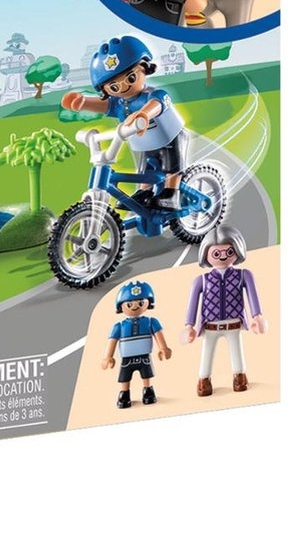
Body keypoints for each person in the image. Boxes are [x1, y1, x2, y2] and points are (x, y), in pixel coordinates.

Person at [62, 36, 186, 209]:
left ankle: (172, 194)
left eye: (131, 77)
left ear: (144, 67)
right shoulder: (118, 103)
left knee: (170, 166)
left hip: (170, 137)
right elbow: (104, 105)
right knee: (145, 170)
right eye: (113, 86)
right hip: (145, 143)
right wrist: (82, 102)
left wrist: (144, 114)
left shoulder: (153, 94)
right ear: (105, 89)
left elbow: (157, 103)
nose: (122, 87)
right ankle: (144, 193)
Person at [184, 226, 266, 396]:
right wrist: (189, 326)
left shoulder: (244, 275)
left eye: (228, 252)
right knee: (207, 353)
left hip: (234, 323)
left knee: (237, 351)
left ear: (237, 250)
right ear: (205, 253)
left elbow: (253, 296)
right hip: (210, 325)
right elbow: (193, 303)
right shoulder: (201, 280)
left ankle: (240, 377)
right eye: (216, 253)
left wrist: (257, 316)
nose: (222, 256)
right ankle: (204, 380)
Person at [101, 280, 171, 408]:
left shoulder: (151, 322)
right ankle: (125, 394)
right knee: (125, 377)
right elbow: (112, 341)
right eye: (129, 303)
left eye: (140, 303)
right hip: (127, 359)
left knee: (146, 375)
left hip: (144, 357)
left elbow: (158, 335)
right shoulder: (119, 326)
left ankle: (148, 391)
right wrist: (108, 357)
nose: (135, 306)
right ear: (121, 306)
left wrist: (163, 348)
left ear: (148, 302)